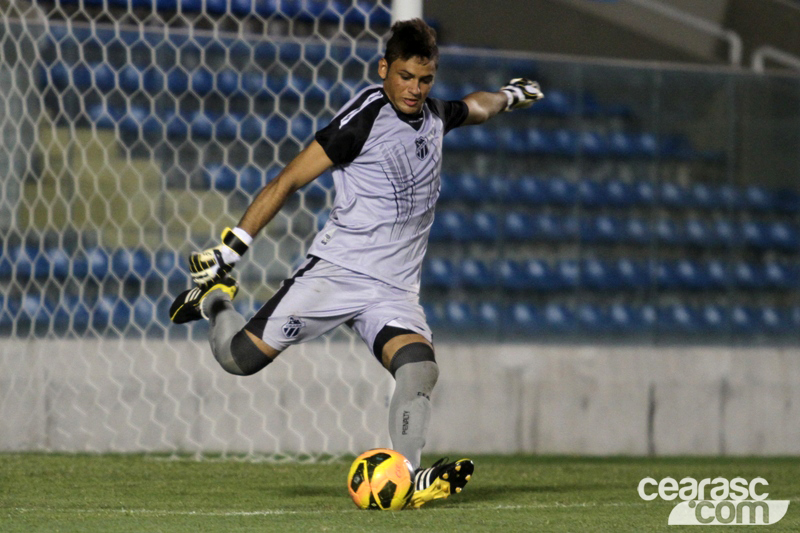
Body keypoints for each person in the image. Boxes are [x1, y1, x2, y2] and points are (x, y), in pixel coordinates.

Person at [170, 18, 543, 509]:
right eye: (405, 76)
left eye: (425, 79)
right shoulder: (362, 120)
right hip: (337, 274)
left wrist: (511, 95)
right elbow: (287, 181)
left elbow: (478, 106)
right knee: (236, 359)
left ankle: (406, 476)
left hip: (393, 291)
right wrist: (232, 250)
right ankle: (216, 300)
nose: (414, 89)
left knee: (419, 369)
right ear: (384, 68)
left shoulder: (435, 115)